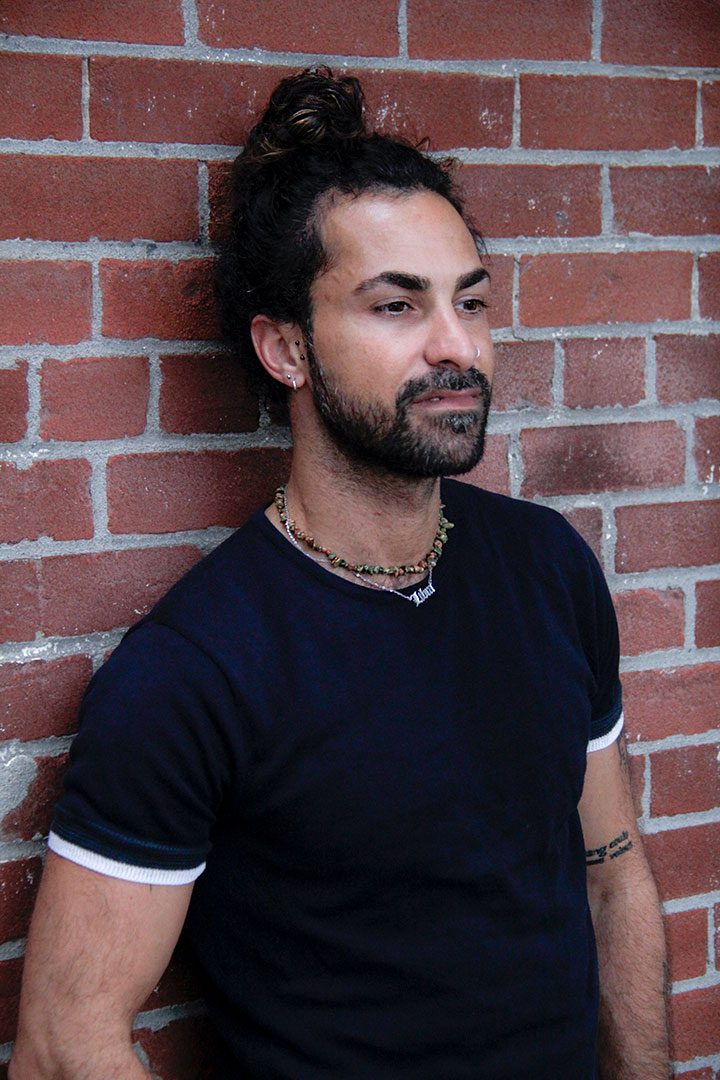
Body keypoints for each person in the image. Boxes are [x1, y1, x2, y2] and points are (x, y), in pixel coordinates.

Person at [11, 68, 669, 1080]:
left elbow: (613, 879)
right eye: (396, 305)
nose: (457, 347)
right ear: (286, 349)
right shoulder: (193, 672)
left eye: (470, 301)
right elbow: (64, 1045)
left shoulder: (547, 569)